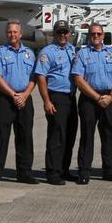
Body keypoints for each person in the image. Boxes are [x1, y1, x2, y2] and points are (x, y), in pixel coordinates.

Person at [72, 23, 112, 183]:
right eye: (93, 34)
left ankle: (109, 170)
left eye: (98, 34)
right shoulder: (82, 54)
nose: (96, 36)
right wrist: (96, 97)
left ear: (103, 36)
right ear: (89, 36)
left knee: (110, 135)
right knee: (87, 135)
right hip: (89, 99)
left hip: (109, 98)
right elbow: (78, 79)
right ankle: (84, 171)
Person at [0, 20, 38, 186]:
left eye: (15, 32)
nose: (12, 35)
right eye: (9, 32)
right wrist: (14, 95)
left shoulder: (29, 54)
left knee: (25, 137)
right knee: (1, 137)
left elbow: (34, 78)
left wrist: (24, 95)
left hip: (25, 98)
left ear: (21, 34)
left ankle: (24, 173)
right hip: (6, 99)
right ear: (6, 34)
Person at [35, 22, 78, 185]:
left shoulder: (72, 50)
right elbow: (41, 77)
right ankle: (53, 173)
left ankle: (64, 170)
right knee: (56, 137)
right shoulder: (47, 52)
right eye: (59, 32)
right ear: (54, 34)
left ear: (69, 34)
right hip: (56, 97)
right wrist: (46, 100)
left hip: (71, 97)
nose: (62, 35)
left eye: (65, 32)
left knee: (70, 135)